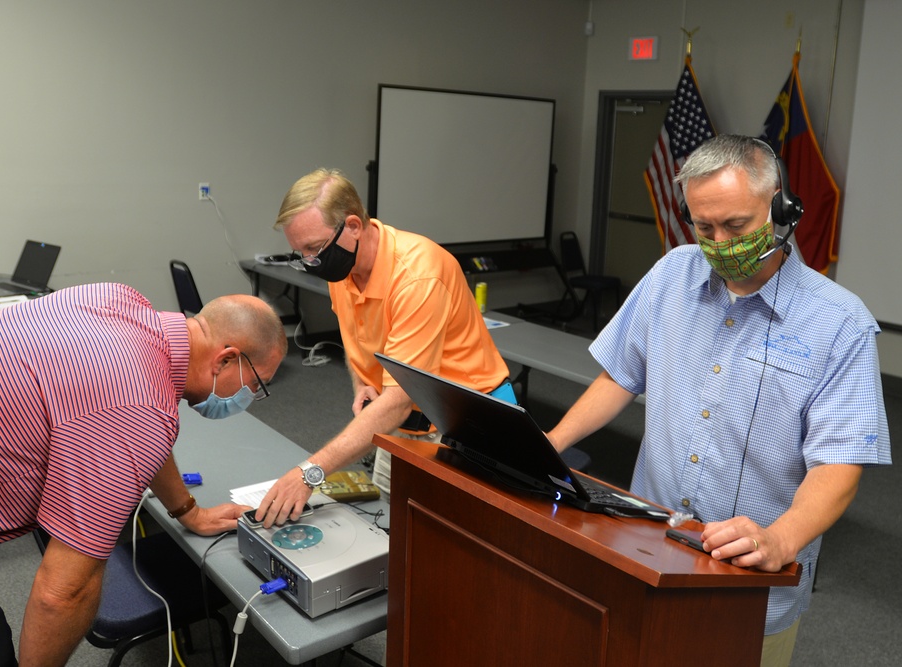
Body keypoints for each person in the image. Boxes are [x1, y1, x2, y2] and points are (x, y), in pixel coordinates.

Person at [546, 134, 891, 667]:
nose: (719, 243)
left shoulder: (839, 323)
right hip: (646, 550)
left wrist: (781, 539)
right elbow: (619, 376)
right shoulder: (671, 274)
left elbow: (839, 462)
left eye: (735, 226)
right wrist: (548, 444)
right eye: (704, 227)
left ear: (780, 209)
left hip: (747, 586)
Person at [0, 282, 287, 666]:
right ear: (225, 359)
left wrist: (188, 511)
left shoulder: (121, 302)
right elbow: (63, 593)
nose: (251, 397)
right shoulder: (138, 407)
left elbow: (134, 423)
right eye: (256, 384)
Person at [255, 167, 514, 527]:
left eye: (314, 249)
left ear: (354, 226)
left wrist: (309, 472)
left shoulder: (418, 275)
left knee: (460, 543)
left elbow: (398, 399)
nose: (310, 262)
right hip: (404, 423)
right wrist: (362, 381)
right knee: (393, 529)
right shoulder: (341, 269)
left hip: (471, 426)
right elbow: (358, 339)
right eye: (300, 254)